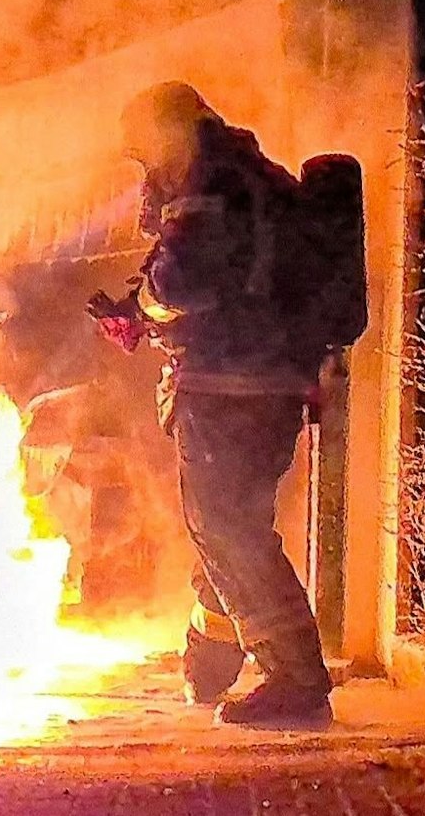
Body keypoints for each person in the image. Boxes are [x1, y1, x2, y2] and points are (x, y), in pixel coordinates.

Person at [88, 82, 337, 730]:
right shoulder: (247, 176)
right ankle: (214, 655)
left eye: (144, 156)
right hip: (265, 382)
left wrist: (142, 310)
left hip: (228, 385)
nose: (144, 172)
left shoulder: (210, 182)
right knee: (230, 523)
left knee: (228, 526)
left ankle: (295, 675)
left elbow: (183, 282)